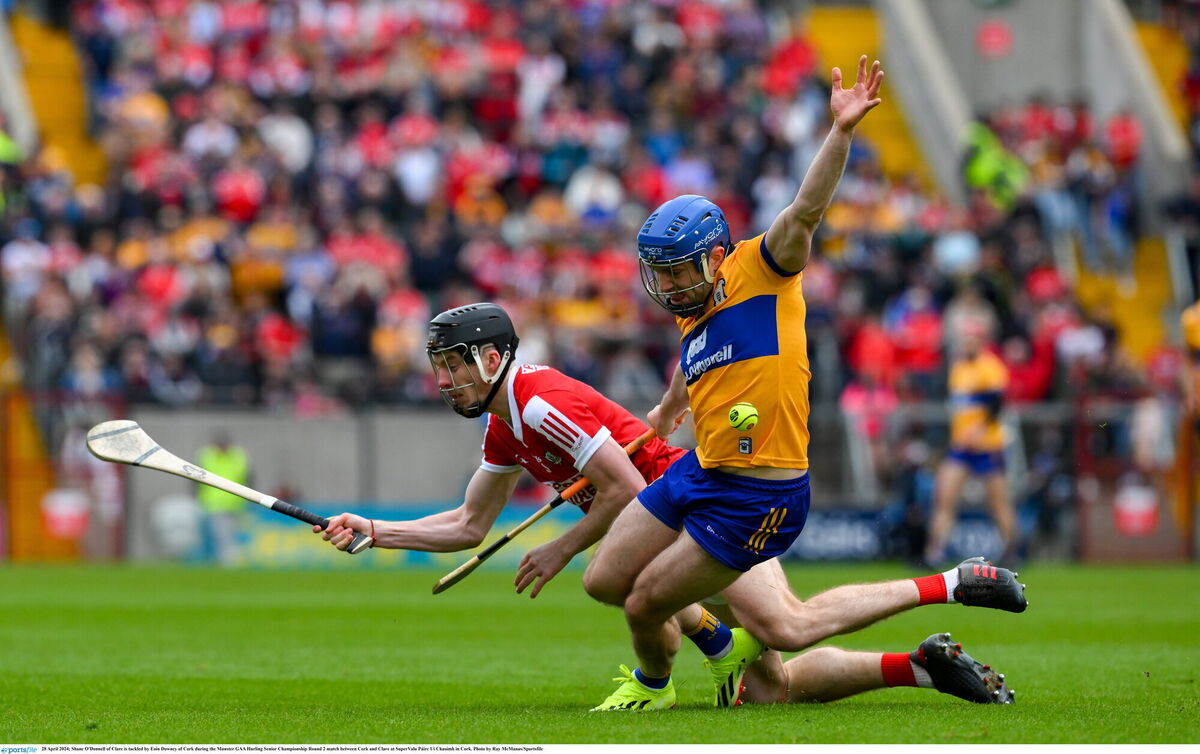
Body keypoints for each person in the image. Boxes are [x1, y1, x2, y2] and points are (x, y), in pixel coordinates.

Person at [581, 56, 1026, 712]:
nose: (668, 286)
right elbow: (698, 364)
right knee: (605, 581)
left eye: (678, 272)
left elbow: (805, 211)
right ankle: (732, 652)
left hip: (757, 494)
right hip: (701, 471)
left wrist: (840, 132)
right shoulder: (694, 315)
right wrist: (671, 404)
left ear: (712, 256)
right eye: (660, 273)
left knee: (744, 620)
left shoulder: (764, 268)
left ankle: (952, 583)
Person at [320, 300, 1019, 708]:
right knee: (770, 686)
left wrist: (564, 543)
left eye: (452, 364)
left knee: (781, 622)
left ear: (493, 358)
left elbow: (627, 488)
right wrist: (374, 531)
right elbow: (468, 524)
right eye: (438, 367)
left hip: (694, 503)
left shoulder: (537, 401)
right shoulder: (506, 424)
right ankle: (923, 666)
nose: (442, 381)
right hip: (663, 521)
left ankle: (954, 581)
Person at [922, 319, 1017, 567]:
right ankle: (934, 552)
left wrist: (979, 429)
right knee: (945, 496)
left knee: (998, 502)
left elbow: (997, 404)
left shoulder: (990, 366)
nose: (967, 344)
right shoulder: (959, 368)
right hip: (961, 446)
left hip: (988, 445)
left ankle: (1011, 551)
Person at [195, 430, 252, 565]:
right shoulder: (206, 456)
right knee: (221, 535)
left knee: (233, 534)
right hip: (215, 504)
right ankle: (227, 561)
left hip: (236, 503)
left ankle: (230, 559)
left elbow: (248, 477)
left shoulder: (239, 456)